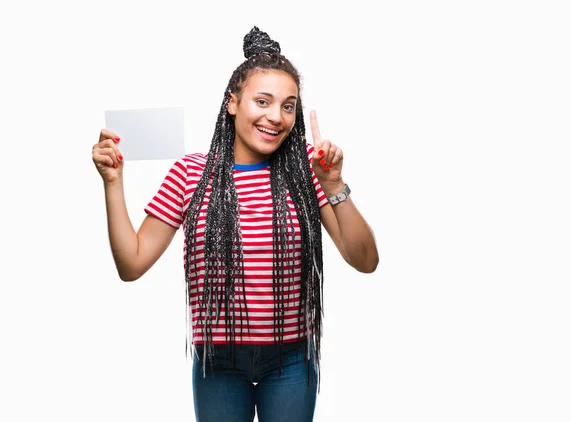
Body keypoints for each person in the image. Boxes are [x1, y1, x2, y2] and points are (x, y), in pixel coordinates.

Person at [92, 26, 379, 422]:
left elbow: (364, 260)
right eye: (262, 101)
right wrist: (113, 184)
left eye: (288, 106)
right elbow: (132, 264)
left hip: (292, 359)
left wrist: (333, 183)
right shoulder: (190, 174)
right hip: (219, 363)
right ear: (232, 103)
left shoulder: (307, 172)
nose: (275, 117)